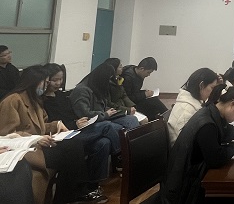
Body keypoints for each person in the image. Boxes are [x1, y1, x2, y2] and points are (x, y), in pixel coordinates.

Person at [0, 66, 104, 203]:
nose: (46, 86)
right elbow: (6, 134)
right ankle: (72, 195)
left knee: (74, 145)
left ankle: (71, 195)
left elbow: (42, 125)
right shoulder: (13, 101)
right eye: (45, 82)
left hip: (39, 144)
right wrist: (36, 138)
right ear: (34, 82)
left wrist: (56, 125)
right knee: (71, 152)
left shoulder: (35, 100)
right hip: (24, 149)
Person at [162, 84, 234, 204]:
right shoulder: (207, 125)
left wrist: (230, 135)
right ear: (233, 104)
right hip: (185, 190)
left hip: (191, 178)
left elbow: (228, 131)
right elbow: (216, 159)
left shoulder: (212, 110)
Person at [43, 63, 122, 183]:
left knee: (103, 143)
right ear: (46, 80)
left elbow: (71, 114)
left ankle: (94, 184)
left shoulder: (61, 95)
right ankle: (121, 157)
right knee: (107, 126)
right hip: (63, 136)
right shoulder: (42, 100)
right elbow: (52, 123)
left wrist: (78, 121)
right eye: (55, 80)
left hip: (77, 129)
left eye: (61, 79)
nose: (59, 83)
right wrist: (74, 124)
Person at [70, 63, 139, 130]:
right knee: (112, 127)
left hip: (102, 117)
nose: (109, 82)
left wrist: (121, 111)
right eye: (108, 79)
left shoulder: (98, 87)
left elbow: (105, 105)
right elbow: (85, 114)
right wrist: (105, 114)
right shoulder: (82, 90)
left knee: (132, 119)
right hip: (90, 122)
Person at [168, 68, 219, 146]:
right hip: (183, 152)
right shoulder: (186, 110)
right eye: (212, 88)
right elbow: (184, 145)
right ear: (201, 85)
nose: (213, 92)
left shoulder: (194, 102)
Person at [103, 58, 146, 122]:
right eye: (120, 67)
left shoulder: (119, 79)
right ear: (113, 68)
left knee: (144, 118)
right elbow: (109, 103)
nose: (122, 68)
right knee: (140, 120)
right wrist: (127, 109)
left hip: (122, 107)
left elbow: (124, 95)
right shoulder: (106, 83)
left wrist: (132, 106)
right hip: (115, 110)